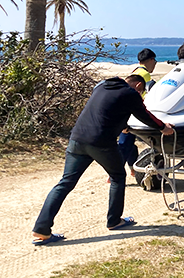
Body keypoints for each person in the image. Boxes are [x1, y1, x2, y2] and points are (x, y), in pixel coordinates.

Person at [32, 74, 174, 246]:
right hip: (101, 143)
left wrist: (124, 127)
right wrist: (163, 127)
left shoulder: (101, 86)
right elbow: (144, 115)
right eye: (141, 92)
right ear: (138, 86)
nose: (141, 95)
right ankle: (114, 220)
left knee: (65, 183)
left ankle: (42, 228)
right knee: (117, 176)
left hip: (77, 139)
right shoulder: (130, 94)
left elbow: (104, 111)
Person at [117, 48, 158, 180]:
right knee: (125, 141)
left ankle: (133, 169)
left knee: (130, 142)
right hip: (133, 112)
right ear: (150, 60)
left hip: (128, 111)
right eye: (154, 61)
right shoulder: (144, 75)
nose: (155, 64)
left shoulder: (135, 71)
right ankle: (114, 174)